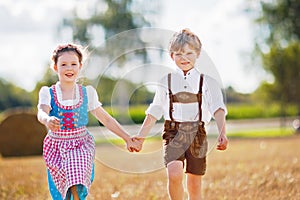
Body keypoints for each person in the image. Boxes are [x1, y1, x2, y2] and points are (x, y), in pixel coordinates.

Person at [132, 29, 228, 200]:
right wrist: (140, 137)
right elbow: (155, 110)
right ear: (171, 56)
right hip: (173, 131)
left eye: (189, 53)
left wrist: (222, 133)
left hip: (197, 133)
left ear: (198, 54)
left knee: (194, 183)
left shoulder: (207, 82)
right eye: (179, 54)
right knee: (174, 173)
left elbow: (218, 109)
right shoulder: (165, 81)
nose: (184, 58)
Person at [37, 43, 137, 200]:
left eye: (73, 64)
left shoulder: (87, 93)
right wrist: (47, 119)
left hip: (80, 144)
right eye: (63, 64)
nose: (69, 68)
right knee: (62, 190)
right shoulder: (48, 93)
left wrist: (127, 138)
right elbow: (41, 112)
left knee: (76, 181)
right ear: (55, 67)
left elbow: (106, 119)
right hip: (56, 145)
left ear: (80, 66)